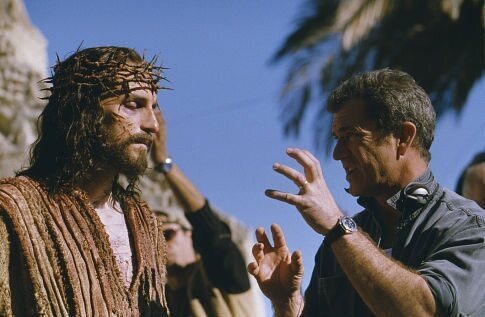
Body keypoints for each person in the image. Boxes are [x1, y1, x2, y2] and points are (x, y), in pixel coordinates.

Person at [248, 69, 485, 316]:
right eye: (337, 138)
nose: (337, 153)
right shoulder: (339, 243)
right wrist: (286, 304)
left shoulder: (471, 228)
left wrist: (338, 225)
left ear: (403, 137)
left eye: (351, 136)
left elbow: (424, 311)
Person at [0, 46, 170, 316]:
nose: (153, 125)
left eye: (154, 107)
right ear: (84, 111)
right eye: (134, 105)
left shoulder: (144, 222)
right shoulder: (15, 210)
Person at [148, 109, 264, 316]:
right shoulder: (157, 301)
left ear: (190, 234)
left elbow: (211, 233)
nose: (161, 245)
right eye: (152, 240)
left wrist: (164, 164)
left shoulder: (220, 277)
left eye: (168, 234)